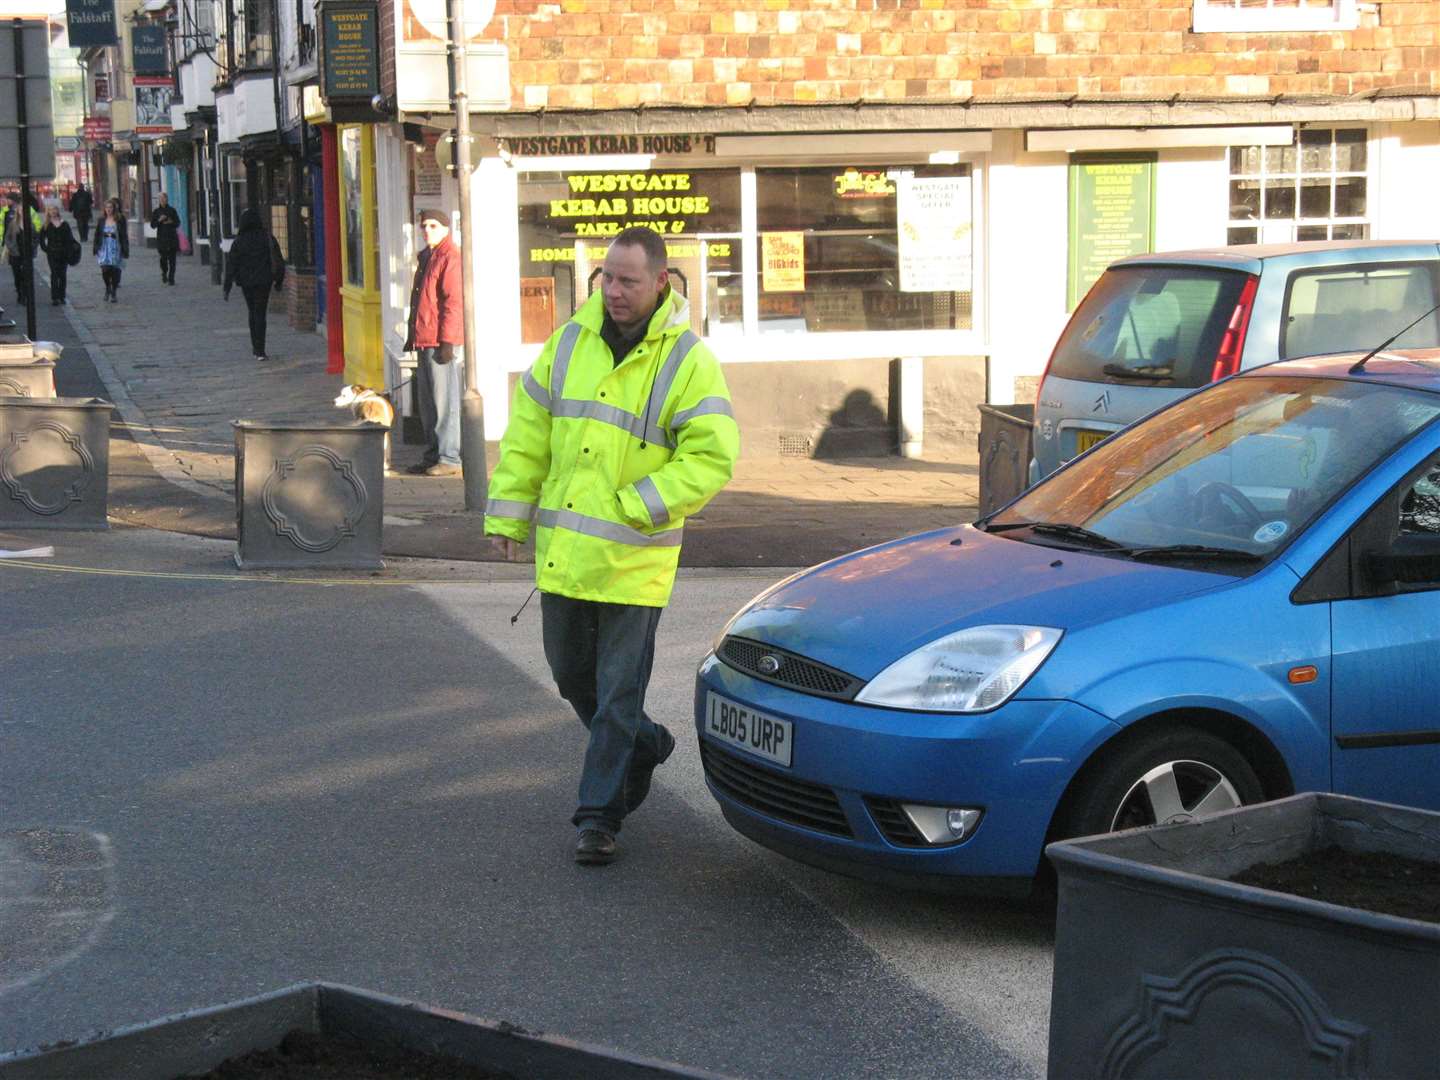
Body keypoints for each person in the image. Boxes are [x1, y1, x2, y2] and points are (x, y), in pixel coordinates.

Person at [484, 225, 740, 866]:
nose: (614, 291)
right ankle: (647, 744)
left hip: (634, 558)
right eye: (607, 277)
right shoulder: (569, 342)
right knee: (574, 678)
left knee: (617, 691)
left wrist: (636, 506)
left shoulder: (687, 359)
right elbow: (527, 437)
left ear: (660, 282)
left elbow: (713, 456)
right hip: (568, 555)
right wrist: (509, 519)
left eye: (628, 280)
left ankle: (599, 817)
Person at [402, 208, 464, 476]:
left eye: (433, 226)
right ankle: (433, 454)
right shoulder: (428, 256)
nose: (427, 230)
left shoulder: (449, 257)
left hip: (439, 341)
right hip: (424, 338)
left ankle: (449, 457)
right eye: (424, 226)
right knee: (427, 403)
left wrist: (447, 342)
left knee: (444, 402)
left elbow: (453, 302)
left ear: (446, 229)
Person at [223, 207, 286, 361]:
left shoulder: (239, 242)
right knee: (260, 313)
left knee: (252, 312)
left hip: (247, 283)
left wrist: (227, 287)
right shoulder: (267, 238)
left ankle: (255, 347)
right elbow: (278, 260)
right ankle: (261, 349)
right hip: (264, 281)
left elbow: (231, 265)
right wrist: (279, 281)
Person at [1, 192, 42, 304]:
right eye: (20, 210)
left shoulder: (30, 224)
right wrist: (10, 247)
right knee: (17, 275)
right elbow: (7, 237)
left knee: (26, 275)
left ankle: (24, 296)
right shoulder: (12, 224)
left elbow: (36, 236)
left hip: (27, 253)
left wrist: (33, 247)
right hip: (15, 253)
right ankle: (19, 291)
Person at [38, 205, 77, 307]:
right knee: (54, 274)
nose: (53, 212)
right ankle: (55, 297)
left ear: (58, 211)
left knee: (62, 275)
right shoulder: (46, 225)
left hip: (63, 253)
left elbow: (70, 239)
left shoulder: (64, 224)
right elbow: (41, 239)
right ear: (48, 212)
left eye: (55, 210)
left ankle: (62, 296)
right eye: (51, 210)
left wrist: (69, 251)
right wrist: (46, 249)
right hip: (52, 253)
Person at [93, 198, 129, 303]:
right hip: (104, 248)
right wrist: (95, 247)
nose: (109, 209)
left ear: (114, 208)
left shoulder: (120, 219)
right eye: (107, 207)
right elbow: (97, 234)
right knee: (105, 270)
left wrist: (125, 248)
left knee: (115, 271)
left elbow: (124, 235)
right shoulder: (101, 220)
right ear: (104, 209)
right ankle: (107, 287)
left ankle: (113, 292)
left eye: (111, 207)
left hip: (116, 247)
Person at [150, 192, 181, 285]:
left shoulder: (172, 210)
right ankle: (164, 272)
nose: (163, 200)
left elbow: (178, 223)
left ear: (167, 199)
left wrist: (171, 222)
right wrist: (159, 220)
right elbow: (153, 225)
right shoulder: (156, 211)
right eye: (161, 199)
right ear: (159, 200)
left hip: (172, 238)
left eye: (164, 198)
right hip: (162, 239)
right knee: (163, 259)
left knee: (172, 260)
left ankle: (171, 278)